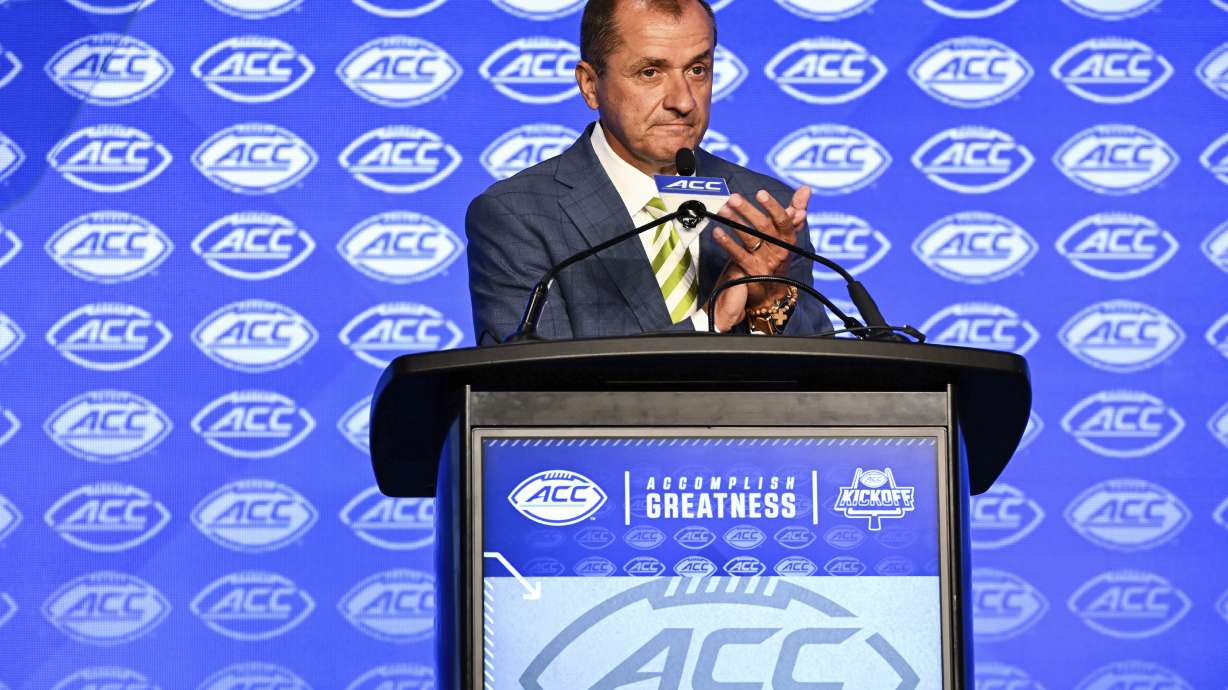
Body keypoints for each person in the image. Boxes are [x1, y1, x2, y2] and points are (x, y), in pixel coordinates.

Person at [466, 0, 832, 344]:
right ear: (591, 86)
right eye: (650, 72)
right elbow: (532, 391)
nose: (684, 101)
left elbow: (821, 389)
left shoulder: (764, 208)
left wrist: (769, 303)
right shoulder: (519, 215)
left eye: (697, 70)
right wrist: (710, 323)